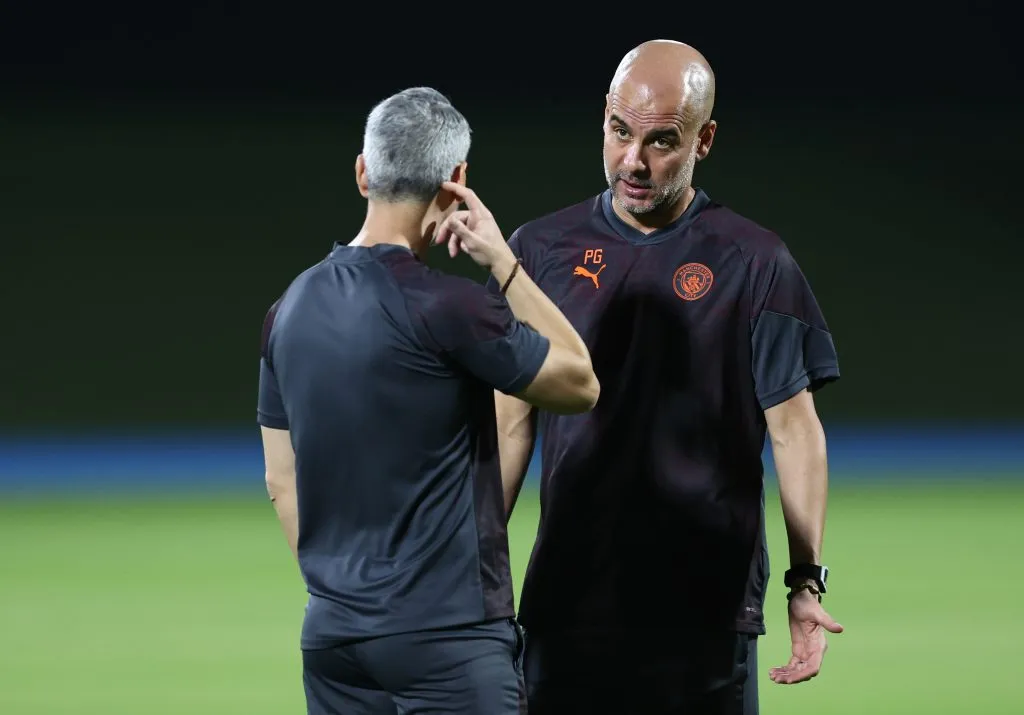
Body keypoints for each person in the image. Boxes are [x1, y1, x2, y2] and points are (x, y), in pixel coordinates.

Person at [487, 40, 845, 714]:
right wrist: (472, 578)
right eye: (621, 132)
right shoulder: (537, 252)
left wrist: (805, 581)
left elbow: (795, 432)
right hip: (570, 608)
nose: (634, 160)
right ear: (603, 118)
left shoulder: (755, 261)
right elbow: (510, 424)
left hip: (705, 617)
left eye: (662, 142)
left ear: (705, 139)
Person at [255, 86, 599, 715]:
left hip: (333, 640)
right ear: (458, 180)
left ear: (363, 171)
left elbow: (282, 481)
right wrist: (503, 263)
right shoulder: (449, 305)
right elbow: (579, 382)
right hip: (448, 640)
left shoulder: (287, 311)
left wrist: (348, 598)